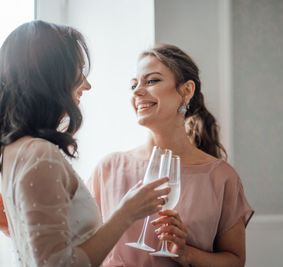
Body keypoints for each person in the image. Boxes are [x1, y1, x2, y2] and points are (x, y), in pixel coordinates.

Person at [0, 20, 170, 267]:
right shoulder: (40, 154)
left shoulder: (12, 151)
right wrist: (125, 214)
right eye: (79, 70)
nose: (87, 85)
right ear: (53, 75)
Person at [88, 44, 254, 267]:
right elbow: (81, 248)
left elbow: (235, 261)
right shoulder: (108, 169)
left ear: (186, 90)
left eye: (152, 81)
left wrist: (185, 253)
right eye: (133, 84)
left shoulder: (221, 177)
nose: (137, 91)